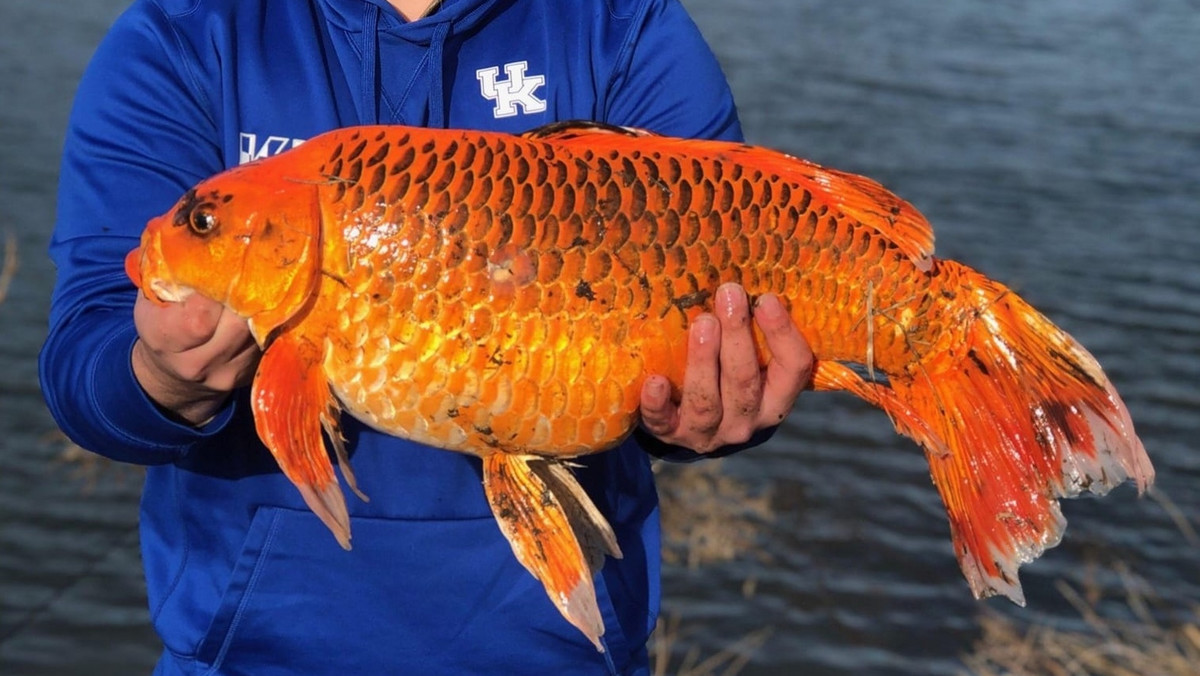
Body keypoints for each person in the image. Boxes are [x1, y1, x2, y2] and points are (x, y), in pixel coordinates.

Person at [40, 0, 813, 673]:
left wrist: (706, 416)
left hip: (567, 657)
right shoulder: (182, 33)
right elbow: (83, 362)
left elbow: (716, 335)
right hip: (250, 657)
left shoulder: (624, 25)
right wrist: (160, 378)